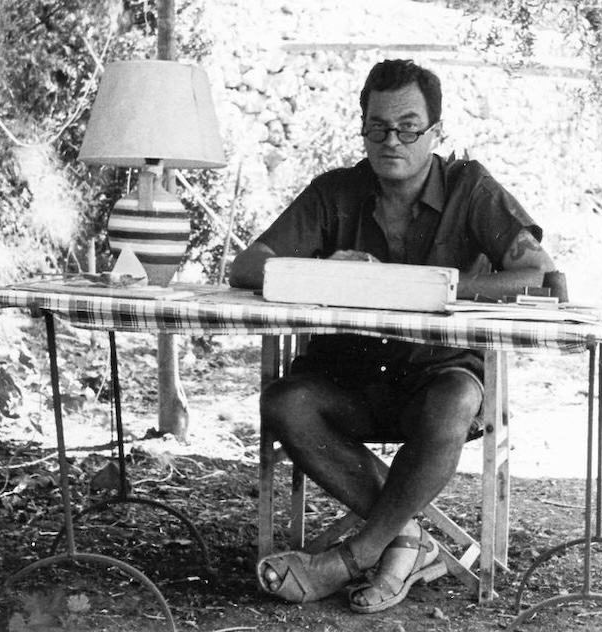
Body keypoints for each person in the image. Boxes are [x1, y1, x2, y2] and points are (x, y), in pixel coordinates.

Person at [229, 59, 557, 613]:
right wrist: (326, 268)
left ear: (436, 132)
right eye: (377, 127)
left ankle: (352, 555)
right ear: (362, 129)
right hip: (349, 378)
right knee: (284, 403)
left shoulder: (469, 188)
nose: (392, 140)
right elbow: (247, 265)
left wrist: (443, 287)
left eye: (408, 127)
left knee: (453, 399)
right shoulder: (334, 192)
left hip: (438, 379)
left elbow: (541, 277)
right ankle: (407, 540)